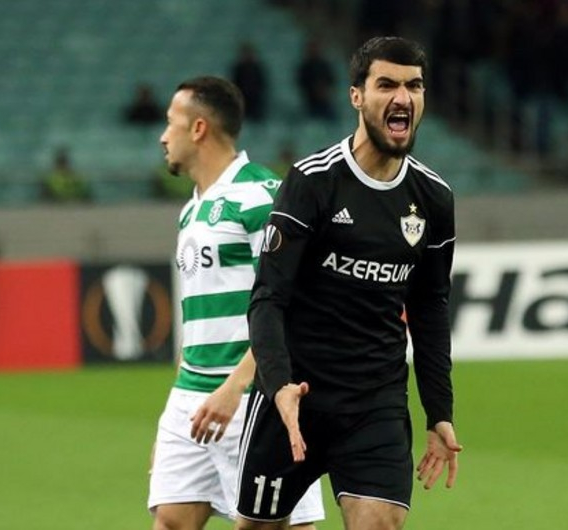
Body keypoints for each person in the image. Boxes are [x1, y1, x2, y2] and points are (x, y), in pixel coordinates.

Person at [235, 37, 461, 530]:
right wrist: (277, 385)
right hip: (296, 396)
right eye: (387, 85)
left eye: (414, 86)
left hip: (375, 405)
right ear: (357, 96)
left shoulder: (433, 198)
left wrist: (439, 411)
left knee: (381, 523)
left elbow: (430, 308)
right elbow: (268, 297)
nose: (403, 97)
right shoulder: (312, 181)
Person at [149, 76, 324, 530]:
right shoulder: (191, 209)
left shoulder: (262, 197)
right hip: (192, 397)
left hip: (254, 398)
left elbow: (294, 303)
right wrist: (176, 405)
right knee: (170, 519)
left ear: (199, 128)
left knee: (280, 527)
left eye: (170, 123)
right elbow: (198, 321)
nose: (163, 136)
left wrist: (236, 387)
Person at [296, 39, 336, 121]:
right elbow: (301, 82)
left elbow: (331, 80)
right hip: (310, 101)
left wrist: (323, 88)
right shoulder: (305, 67)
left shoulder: (324, 66)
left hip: (324, 103)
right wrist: (313, 88)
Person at [231, 42, 269, 122]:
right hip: (242, 100)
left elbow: (262, 85)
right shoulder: (238, 69)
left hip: (255, 102)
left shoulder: (258, 69)